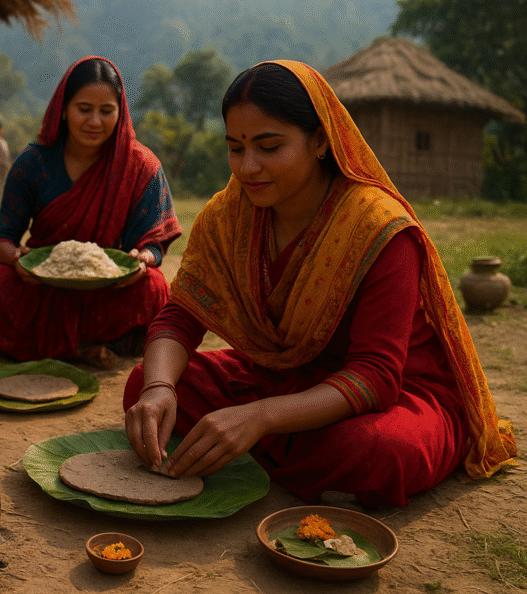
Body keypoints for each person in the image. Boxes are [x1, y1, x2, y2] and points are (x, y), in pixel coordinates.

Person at [123, 60, 517, 507]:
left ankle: (260, 444)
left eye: (269, 147)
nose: (248, 167)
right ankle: (279, 449)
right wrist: (159, 389)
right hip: (282, 378)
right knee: (145, 385)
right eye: (235, 148)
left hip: (390, 394)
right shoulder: (226, 217)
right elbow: (181, 316)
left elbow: (376, 376)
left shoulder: (380, 229)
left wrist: (260, 417)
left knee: (381, 451)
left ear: (321, 142)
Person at [0, 57, 181, 366]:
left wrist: (143, 260)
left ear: (121, 112)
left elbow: (153, 244)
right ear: (63, 108)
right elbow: (3, 239)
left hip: (107, 289)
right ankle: (85, 347)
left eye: (106, 111)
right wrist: (18, 261)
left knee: (155, 287)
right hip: (42, 284)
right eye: (84, 109)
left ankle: (38, 345)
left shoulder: (140, 166)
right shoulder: (33, 162)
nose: (95, 121)